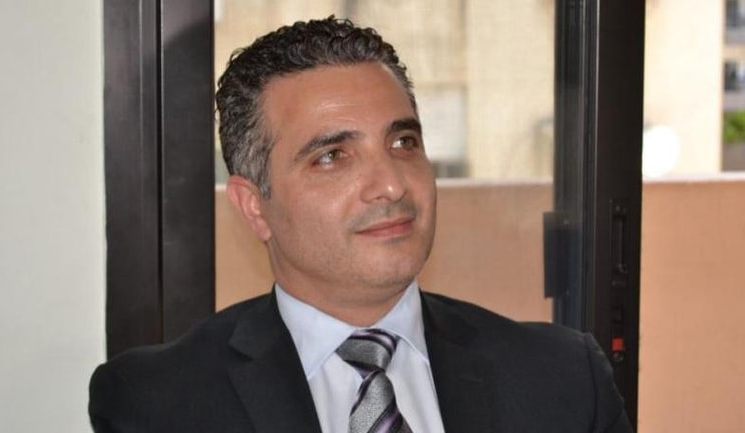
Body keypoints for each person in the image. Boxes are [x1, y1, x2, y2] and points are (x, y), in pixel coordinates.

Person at [89, 16, 633, 433]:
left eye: (403, 142)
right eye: (332, 156)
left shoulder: (563, 379)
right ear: (254, 206)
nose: (391, 185)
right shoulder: (157, 402)